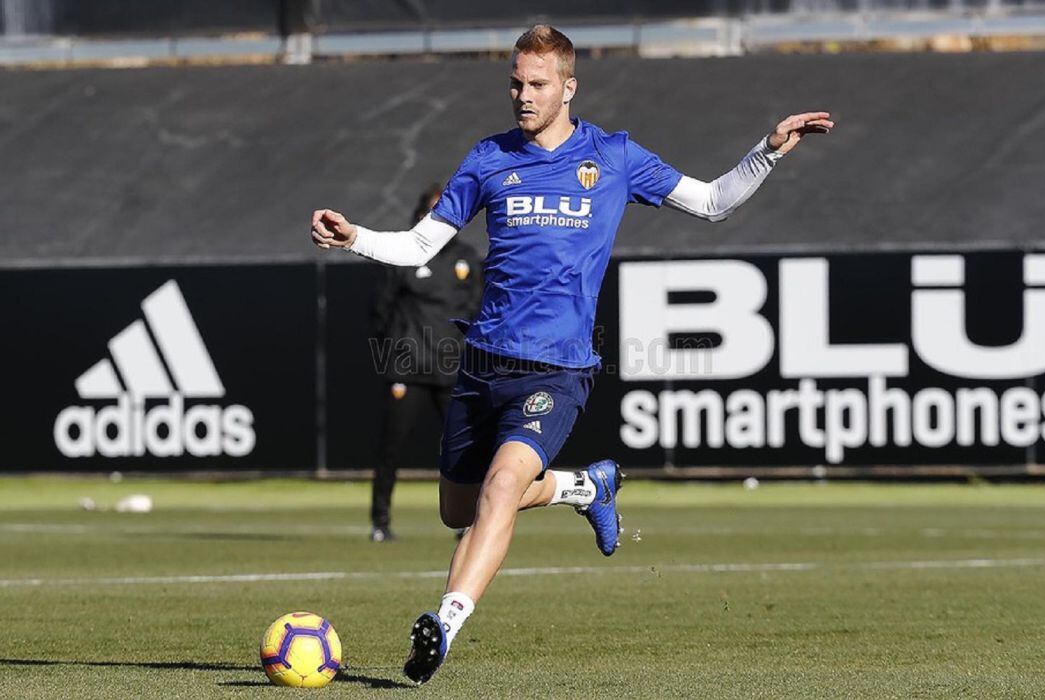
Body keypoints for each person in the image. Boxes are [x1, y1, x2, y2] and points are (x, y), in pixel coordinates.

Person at [310, 24, 832, 685]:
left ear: (568, 87)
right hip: (482, 363)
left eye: (537, 84)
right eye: (515, 82)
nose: (523, 95)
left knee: (501, 489)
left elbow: (710, 203)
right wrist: (356, 236)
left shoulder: (611, 157)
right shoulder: (487, 158)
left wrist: (767, 152)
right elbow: (419, 247)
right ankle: (585, 486)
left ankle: (442, 626)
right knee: (458, 511)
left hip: (556, 368)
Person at [368, 184, 484, 543]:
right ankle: (380, 522)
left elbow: (479, 310)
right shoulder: (404, 255)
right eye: (429, 212)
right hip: (408, 368)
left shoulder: (466, 259)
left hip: (451, 369)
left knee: (463, 448)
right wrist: (392, 351)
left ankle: (467, 520)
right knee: (392, 447)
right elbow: (379, 312)